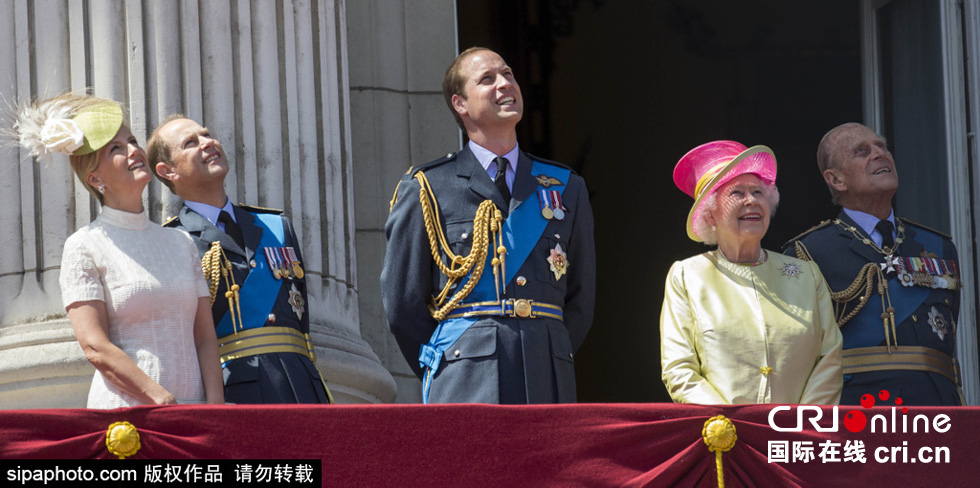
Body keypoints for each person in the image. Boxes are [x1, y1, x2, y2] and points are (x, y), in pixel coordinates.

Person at [381, 47, 596, 404]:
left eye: (508, 74)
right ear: (460, 104)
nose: (504, 84)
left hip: (547, 372)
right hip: (465, 375)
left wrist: (549, 347)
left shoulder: (565, 186)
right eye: (487, 79)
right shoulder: (428, 187)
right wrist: (450, 360)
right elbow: (403, 304)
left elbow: (581, 299)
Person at [13, 94, 224, 408]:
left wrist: (216, 407)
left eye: (133, 141)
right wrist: (161, 400)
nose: (134, 151)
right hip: (129, 416)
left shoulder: (179, 243)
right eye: (116, 148)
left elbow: (205, 337)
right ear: (95, 178)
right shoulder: (84, 245)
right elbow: (95, 346)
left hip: (193, 415)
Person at [148, 115, 331, 404]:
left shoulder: (276, 225)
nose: (208, 143)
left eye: (207, 134)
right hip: (235, 388)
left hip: (300, 385)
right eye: (191, 143)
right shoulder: (168, 241)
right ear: (167, 170)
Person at [783, 123, 963, 405]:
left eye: (882, 147)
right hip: (855, 412)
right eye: (862, 151)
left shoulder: (938, 247)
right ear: (836, 180)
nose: (880, 154)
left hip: (935, 409)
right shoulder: (808, 252)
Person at [661, 140, 842, 404]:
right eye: (737, 194)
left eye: (758, 193)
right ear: (710, 216)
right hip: (723, 436)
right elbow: (680, 368)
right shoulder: (688, 276)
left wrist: (802, 424)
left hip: (797, 436)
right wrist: (730, 427)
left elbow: (830, 357)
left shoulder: (806, 275)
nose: (752, 201)